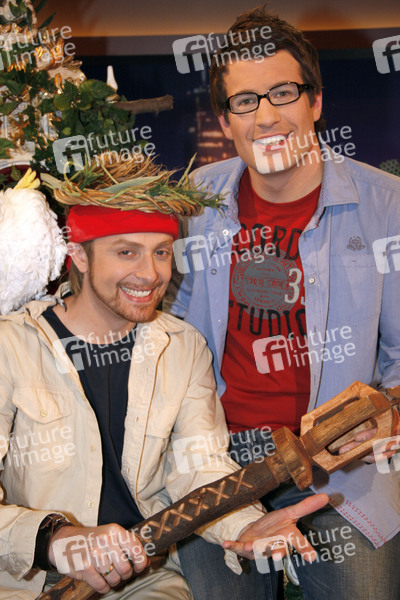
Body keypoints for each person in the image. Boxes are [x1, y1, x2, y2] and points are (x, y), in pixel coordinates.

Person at [0, 160, 328, 600]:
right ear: (78, 255)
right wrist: (56, 541)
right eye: (126, 252)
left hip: (143, 580)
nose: (150, 274)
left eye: (161, 252)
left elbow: (200, 464)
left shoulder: (183, 347)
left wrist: (244, 522)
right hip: (27, 581)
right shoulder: (11, 346)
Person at [165, 6, 400, 600]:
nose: (267, 116)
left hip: (343, 464)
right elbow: (162, 337)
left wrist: (386, 419)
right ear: (225, 120)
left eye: (283, 93)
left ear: (315, 102)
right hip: (218, 461)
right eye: (245, 101)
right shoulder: (190, 206)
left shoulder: (386, 206)